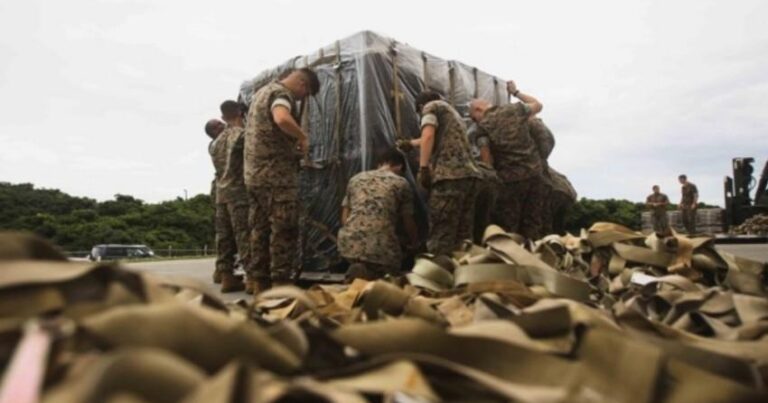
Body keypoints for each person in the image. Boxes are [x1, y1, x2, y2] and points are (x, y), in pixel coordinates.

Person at [243, 68, 319, 294]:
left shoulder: (260, 93)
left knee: (259, 229)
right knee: (284, 230)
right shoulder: (281, 94)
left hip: (254, 176)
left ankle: (259, 282)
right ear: (302, 84)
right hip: (277, 178)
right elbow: (281, 118)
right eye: (304, 94)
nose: (301, 98)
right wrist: (302, 137)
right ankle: (281, 286)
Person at [399, 91, 480, 256]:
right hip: (470, 176)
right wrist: (411, 143)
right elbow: (434, 138)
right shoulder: (453, 115)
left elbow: (428, 136)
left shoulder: (431, 107)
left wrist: (423, 168)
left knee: (441, 232)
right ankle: (465, 273)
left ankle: (438, 274)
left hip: (449, 176)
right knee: (462, 235)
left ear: (421, 106)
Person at [469, 80, 544, 240]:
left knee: (509, 228)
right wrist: (516, 92)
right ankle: (534, 259)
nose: (474, 121)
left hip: (511, 181)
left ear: (477, 110)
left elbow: (487, 162)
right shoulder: (514, 110)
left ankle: (512, 261)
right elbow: (537, 105)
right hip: (536, 175)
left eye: (473, 117)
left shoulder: (482, 128)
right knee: (532, 224)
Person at [337, 149, 419, 280]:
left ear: (379, 164)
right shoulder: (401, 183)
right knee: (390, 275)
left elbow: (345, 215)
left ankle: (360, 271)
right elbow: (407, 220)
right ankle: (372, 276)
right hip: (382, 248)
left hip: (349, 246)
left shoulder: (356, 179)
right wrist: (415, 244)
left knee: (366, 258)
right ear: (399, 166)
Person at [210, 100, 252, 293]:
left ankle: (227, 277)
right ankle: (253, 278)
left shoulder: (215, 142)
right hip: (239, 193)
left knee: (225, 237)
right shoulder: (241, 135)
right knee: (245, 235)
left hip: (221, 194)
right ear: (239, 112)